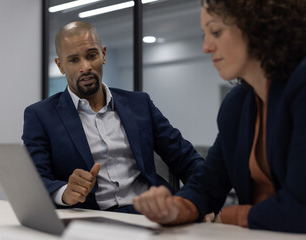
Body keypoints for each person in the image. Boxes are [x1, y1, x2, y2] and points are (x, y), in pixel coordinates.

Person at [133, 0, 306, 233]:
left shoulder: (301, 85)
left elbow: (299, 208)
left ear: (257, 26)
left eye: (215, 32)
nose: (205, 47)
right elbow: (206, 185)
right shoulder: (237, 104)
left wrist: (228, 216)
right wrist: (174, 207)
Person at [22, 21, 203, 214]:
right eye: (74, 60)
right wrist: (65, 192)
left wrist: (198, 203)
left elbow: (187, 159)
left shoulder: (139, 104)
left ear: (103, 54)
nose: (85, 67)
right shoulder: (40, 116)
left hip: (151, 214)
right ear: (60, 65)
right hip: (93, 220)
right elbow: (36, 179)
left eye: (92, 56)